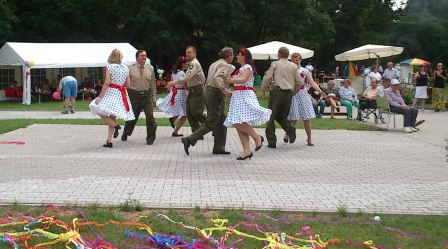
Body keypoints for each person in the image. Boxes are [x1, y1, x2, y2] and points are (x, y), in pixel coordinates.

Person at [181, 47, 234, 156]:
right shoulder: (224, 65)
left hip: (210, 91)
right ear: (228, 56)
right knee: (211, 122)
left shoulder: (215, 63)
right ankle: (189, 140)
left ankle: (219, 147)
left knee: (222, 120)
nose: (233, 57)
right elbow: (217, 77)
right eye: (232, 55)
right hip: (215, 93)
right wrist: (225, 91)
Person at [224, 48, 271, 160]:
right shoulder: (241, 68)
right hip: (238, 95)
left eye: (239, 55)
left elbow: (243, 79)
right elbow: (238, 82)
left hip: (244, 95)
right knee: (239, 123)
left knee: (237, 122)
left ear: (244, 56)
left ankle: (256, 137)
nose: (237, 57)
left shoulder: (247, 67)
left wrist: (230, 80)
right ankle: (247, 150)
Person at [89, 49, 135, 147]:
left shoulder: (109, 67)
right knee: (112, 116)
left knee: (98, 109)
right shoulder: (126, 68)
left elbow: (107, 83)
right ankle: (109, 141)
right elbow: (128, 85)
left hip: (111, 92)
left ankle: (115, 126)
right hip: (121, 94)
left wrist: (100, 97)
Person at [260, 47, 301, 148]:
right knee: (281, 116)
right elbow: (299, 81)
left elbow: (268, 77)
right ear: (287, 55)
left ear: (279, 54)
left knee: (271, 116)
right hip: (288, 94)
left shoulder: (275, 64)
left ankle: (272, 141)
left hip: (277, 92)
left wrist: (263, 89)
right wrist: (293, 91)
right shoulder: (293, 66)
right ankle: (290, 129)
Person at [284, 53, 325, 146]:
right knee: (293, 116)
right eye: (293, 60)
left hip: (302, 93)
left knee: (307, 117)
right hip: (292, 94)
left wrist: (320, 91)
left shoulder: (305, 71)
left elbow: (312, 83)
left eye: (297, 60)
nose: (295, 61)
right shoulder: (288, 70)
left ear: (300, 60)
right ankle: (287, 133)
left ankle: (309, 138)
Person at [121, 49, 157, 145]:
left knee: (150, 116)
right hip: (134, 95)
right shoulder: (129, 68)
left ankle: (150, 138)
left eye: (145, 56)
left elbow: (153, 83)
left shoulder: (150, 68)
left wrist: (154, 97)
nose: (144, 57)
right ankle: (126, 132)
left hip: (146, 95)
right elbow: (124, 83)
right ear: (137, 58)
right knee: (132, 117)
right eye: (142, 56)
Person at [168, 46, 206, 134]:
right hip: (192, 90)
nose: (187, 54)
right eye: (186, 52)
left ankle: (213, 125)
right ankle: (197, 133)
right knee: (189, 113)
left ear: (194, 53)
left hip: (197, 90)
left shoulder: (194, 64)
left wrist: (173, 82)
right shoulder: (190, 64)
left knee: (196, 113)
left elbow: (186, 77)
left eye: (189, 52)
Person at [157, 56, 188, 136]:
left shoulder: (174, 72)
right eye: (186, 63)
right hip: (181, 93)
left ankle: (173, 119)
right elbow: (185, 86)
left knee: (180, 110)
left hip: (175, 92)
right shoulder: (182, 73)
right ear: (183, 64)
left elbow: (171, 82)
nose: (187, 64)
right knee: (185, 114)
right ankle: (175, 131)